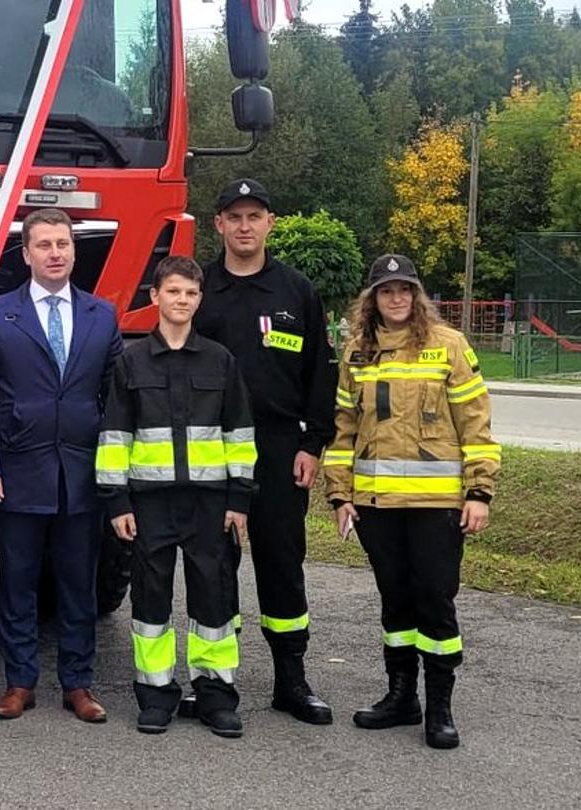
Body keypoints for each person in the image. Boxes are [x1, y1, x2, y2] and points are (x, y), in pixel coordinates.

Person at [320, 254, 500, 750]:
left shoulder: (449, 347)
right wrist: (339, 495)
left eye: (404, 290)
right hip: (376, 505)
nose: (396, 298)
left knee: (435, 603)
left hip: (437, 505)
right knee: (395, 603)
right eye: (386, 291)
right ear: (372, 299)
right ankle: (402, 697)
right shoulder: (357, 352)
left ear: (417, 295)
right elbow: (343, 431)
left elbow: (476, 426)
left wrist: (479, 492)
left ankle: (440, 706)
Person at [0, 208, 121, 723]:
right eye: (44, 245)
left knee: (79, 586)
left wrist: (114, 469)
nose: (55, 253)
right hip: (16, 473)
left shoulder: (102, 314)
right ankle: (19, 681)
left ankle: (78, 684)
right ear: (26, 253)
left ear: (75, 251)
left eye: (63, 244)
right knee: (18, 583)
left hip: (81, 474)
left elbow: (114, 398)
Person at [95, 256, 257, 738]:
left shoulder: (220, 360)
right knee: (151, 600)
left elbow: (240, 434)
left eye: (190, 293)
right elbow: (115, 436)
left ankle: (215, 695)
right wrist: (117, 502)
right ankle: (156, 693)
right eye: (173, 292)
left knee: (214, 599)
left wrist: (240, 499)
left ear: (198, 300)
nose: (181, 300)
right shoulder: (131, 361)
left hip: (211, 503)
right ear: (155, 297)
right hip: (150, 503)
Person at [193, 179, 336, 725]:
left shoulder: (296, 291)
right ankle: (214, 680)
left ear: (271, 223)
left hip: (279, 448)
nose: (245, 225)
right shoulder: (199, 288)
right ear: (220, 225)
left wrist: (312, 442)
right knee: (214, 564)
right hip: (211, 448)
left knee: (282, 563)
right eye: (235, 216)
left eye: (255, 216)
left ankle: (291, 681)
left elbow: (320, 372)